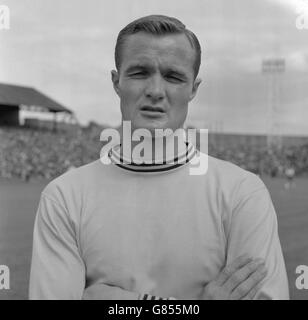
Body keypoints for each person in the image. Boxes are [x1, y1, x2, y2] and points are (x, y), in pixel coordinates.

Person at [29, 15, 289, 300]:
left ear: (193, 88)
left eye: (173, 77)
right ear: (117, 82)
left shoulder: (243, 194)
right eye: (140, 73)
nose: (155, 91)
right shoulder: (64, 198)